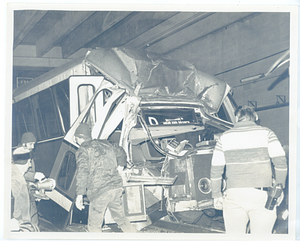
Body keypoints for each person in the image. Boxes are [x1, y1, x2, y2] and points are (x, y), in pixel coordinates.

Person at [210, 105, 287, 234]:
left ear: (236, 118)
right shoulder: (267, 133)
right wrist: (279, 187)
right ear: (256, 117)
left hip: (234, 195)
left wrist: (216, 195)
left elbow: (216, 169)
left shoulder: (224, 137)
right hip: (262, 195)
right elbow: (281, 163)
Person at [74, 123, 137, 232]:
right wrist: (120, 167)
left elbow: (82, 172)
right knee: (121, 219)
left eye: (76, 138)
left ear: (79, 138)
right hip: (115, 188)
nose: (75, 141)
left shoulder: (83, 150)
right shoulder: (105, 143)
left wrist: (79, 195)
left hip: (100, 191)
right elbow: (121, 151)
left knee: (94, 226)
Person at [17, 132, 45, 227]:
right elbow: (19, 173)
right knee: (28, 222)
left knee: (33, 219)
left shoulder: (27, 153)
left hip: (28, 192)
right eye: (30, 144)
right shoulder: (19, 154)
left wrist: (35, 192)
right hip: (22, 194)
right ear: (24, 143)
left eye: (34, 144)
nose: (33, 147)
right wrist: (34, 175)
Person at [11, 147, 38, 231]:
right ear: (24, 162)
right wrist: (13, 222)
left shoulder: (15, 173)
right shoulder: (16, 179)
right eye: (29, 162)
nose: (30, 165)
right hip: (19, 224)